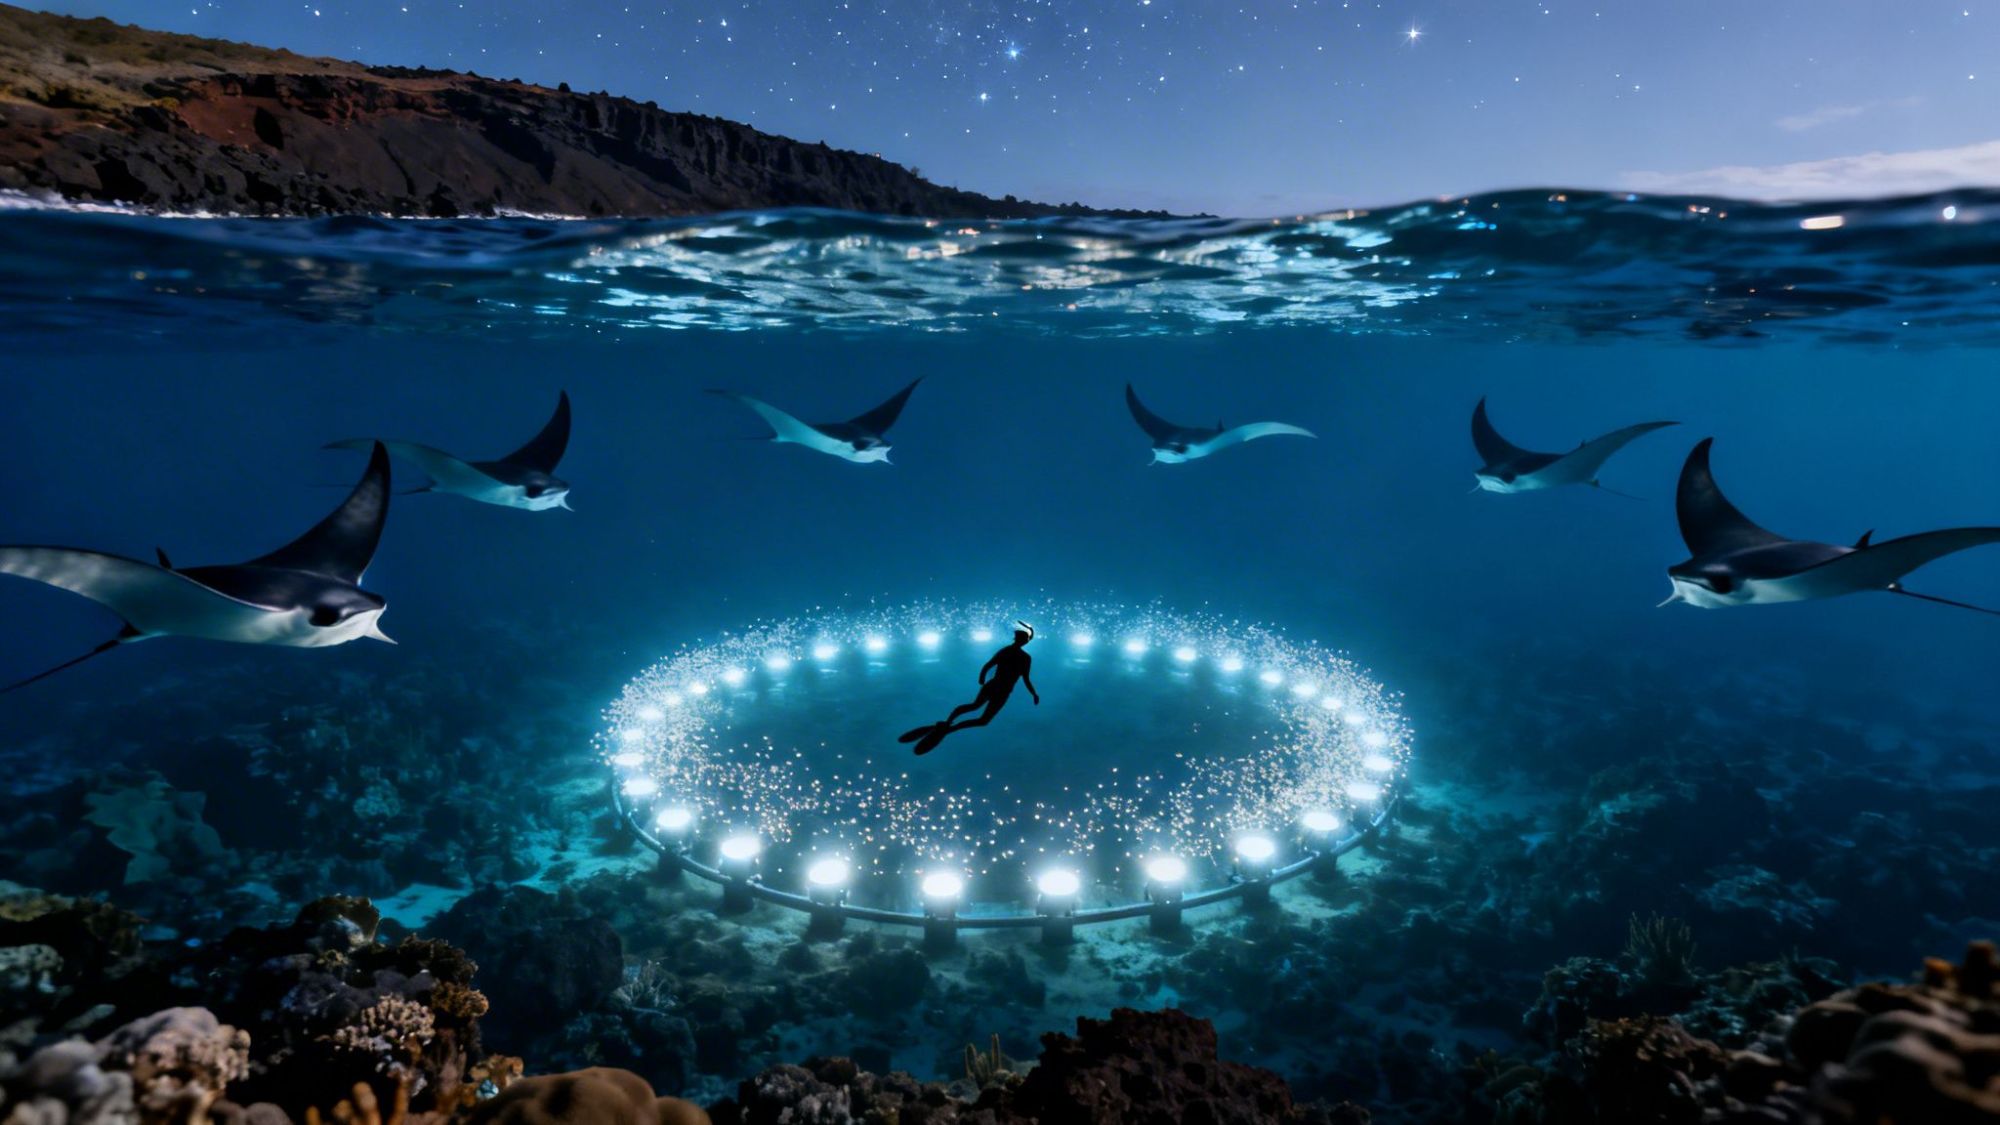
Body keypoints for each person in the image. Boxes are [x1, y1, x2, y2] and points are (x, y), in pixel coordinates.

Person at [900, 621, 1039, 754]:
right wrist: (982, 677)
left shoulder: (1016, 654)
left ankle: (948, 725)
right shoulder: (1018, 655)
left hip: (999, 689)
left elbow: (996, 668)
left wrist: (1033, 693)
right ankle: (948, 726)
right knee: (978, 713)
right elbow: (994, 666)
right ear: (1022, 640)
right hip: (1000, 689)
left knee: (978, 712)